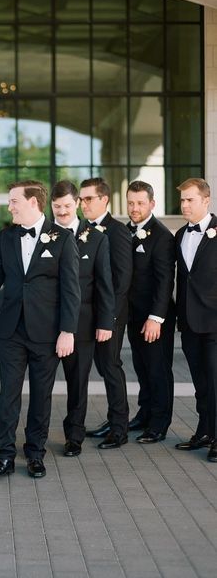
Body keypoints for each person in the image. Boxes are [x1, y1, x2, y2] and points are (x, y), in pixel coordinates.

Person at [0, 180, 80, 478]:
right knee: (8, 394)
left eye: (14, 201)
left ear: (33, 202)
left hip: (48, 332)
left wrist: (67, 331)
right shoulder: (6, 236)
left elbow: (72, 290)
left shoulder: (63, 238)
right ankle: (4, 455)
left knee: (41, 395)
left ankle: (34, 453)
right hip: (12, 330)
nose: (9, 207)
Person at [51, 180, 114, 457]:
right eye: (57, 207)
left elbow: (104, 284)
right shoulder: (45, 234)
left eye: (67, 206)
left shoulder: (97, 237)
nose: (62, 212)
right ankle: (36, 434)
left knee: (78, 383)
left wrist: (105, 322)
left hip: (83, 324)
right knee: (42, 383)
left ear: (77, 203)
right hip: (46, 323)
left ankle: (74, 436)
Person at [80, 177, 132, 449]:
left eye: (88, 198)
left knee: (110, 367)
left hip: (110, 316)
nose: (83, 203)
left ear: (104, 200)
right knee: (102, 366)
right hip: (90, 315)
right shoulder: (82, 231)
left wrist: (109, 319)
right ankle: (112, 420)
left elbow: (122, 282)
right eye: (81, 198)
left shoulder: (117, 231)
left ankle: (119, 429)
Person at [126, 181, 175, 443]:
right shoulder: (126, 231)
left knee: (158, 370)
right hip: (133, 316)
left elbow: (165, 280)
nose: (134, 208)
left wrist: (156, 318)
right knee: (141, 367)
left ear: (152, 204)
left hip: (156, 318)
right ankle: (144, 414)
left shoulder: (162, 236)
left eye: (140, 203)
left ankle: (159, 422)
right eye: (131, 203)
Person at [174, 178, 217, 462]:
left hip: (215, 322)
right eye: (182, 200)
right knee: (200, 382)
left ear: (206, 200)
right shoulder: (179, 234)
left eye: (190, 199)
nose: (185, 205)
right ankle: (204, 430)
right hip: (189, 322)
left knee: (215, 381)